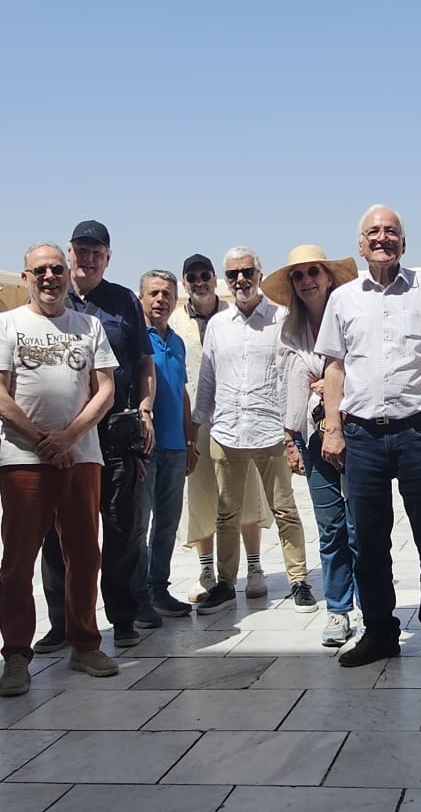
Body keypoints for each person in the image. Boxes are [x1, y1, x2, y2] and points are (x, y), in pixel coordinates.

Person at [317, 205, 421, 671]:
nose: (383, 238)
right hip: (362, 436)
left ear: (404, 242)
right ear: (360, 245)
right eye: (374, 232)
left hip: (419, 432)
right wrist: (333, 428)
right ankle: (380, 631)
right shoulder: (343, 299)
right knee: (369, 542)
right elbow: (335, 366)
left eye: (391, 231)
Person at [0, 242, 121, 694]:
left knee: (84, 555)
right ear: (25, 277)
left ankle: (85, 643)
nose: (49, 277)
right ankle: (16, 655)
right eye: (39, 270)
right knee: (18, 559)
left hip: (81, 456)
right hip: (25, 459)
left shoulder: (88, 326)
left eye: (57, 269)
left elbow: (105, 390)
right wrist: (43, 440)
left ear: (67, 273)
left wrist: (69, 436)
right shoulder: (6, 325)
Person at [35, 220, 154, 651]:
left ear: (107, 258)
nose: (87, 259)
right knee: (57, 531)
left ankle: (122, 617)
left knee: (121, 526)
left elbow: (143, 362)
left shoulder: (123, 301)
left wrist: (145, 409)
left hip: (114, 431)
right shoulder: (50, 297)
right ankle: (63, 622)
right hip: (65, 433)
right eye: (81, 251)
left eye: (96, 252)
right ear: (70, 254)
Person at [193, 247, 314, 614]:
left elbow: (295, 372)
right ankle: (227, 584)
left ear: (259, 275)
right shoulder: (218, 325)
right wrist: (194, 427)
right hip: (227, 431)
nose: (241, 280)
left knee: (285, 510)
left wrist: (293, 430)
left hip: (270, 431)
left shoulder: (281, 319)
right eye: (233, 274)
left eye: (247, 272)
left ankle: (298, 580)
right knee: (226, 513)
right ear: (225, 280)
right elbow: (208, 379)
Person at [266, 244, 360, 647]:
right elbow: (285, 387)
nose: (307, 281)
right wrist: (290, 439)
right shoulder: (287, 333)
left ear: (328, 276)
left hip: (354, 434)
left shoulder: (351, 318)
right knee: (331, 526)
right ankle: (338, 608)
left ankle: (371, 605)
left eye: (313, 272)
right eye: (298, 275)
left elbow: (366, 371)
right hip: (309, 435)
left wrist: (334, 384)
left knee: (360, 525)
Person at [174, 253, 271, 601]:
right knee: (200, 495)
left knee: (246, 493)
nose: (199, 283)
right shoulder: (175, 321)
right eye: (192, 277)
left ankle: (254, 567)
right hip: (195, 422)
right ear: (185, 283)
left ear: (215, 279)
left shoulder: (234, 313)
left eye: (205, 276)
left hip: (238, 418)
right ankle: (206, 569)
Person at [135, 269, 194, 626]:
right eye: (154, 293)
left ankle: (158, 588)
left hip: (175, 447)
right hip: (145, 446)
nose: (161, 300)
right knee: (139, 524)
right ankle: (137, 596)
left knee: (168, 524)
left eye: (167, 294)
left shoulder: (177, 342)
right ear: (141, 297)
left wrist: (189, 440)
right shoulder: (133, 338)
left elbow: (181, 392)